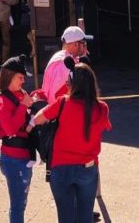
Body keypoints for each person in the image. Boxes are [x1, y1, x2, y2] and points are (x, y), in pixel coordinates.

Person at [29, 62, 111, 223]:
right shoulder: (102, 108)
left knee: (65, 217)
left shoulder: (62, 103)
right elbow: (103, 126)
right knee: (85, 216)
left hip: (61, 169)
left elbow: (39, 118)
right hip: (87, 168)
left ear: (72, 84)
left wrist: (29, 125)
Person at [0, 55, 36, 223]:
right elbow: (10, 129)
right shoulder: (1, 100)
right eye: (20, 77)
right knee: (17, 206)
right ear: (9, 76)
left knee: (20, 205)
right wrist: (24, 105)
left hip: (23, 156)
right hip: (14, 160)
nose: (23, 81)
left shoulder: (18, 94)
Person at [41, 26, 92, 103]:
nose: (85, 46)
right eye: (83, 43)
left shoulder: (62, 56)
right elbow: (57, 96)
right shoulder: (65, 66)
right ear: (75, 44)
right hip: (60, 111)